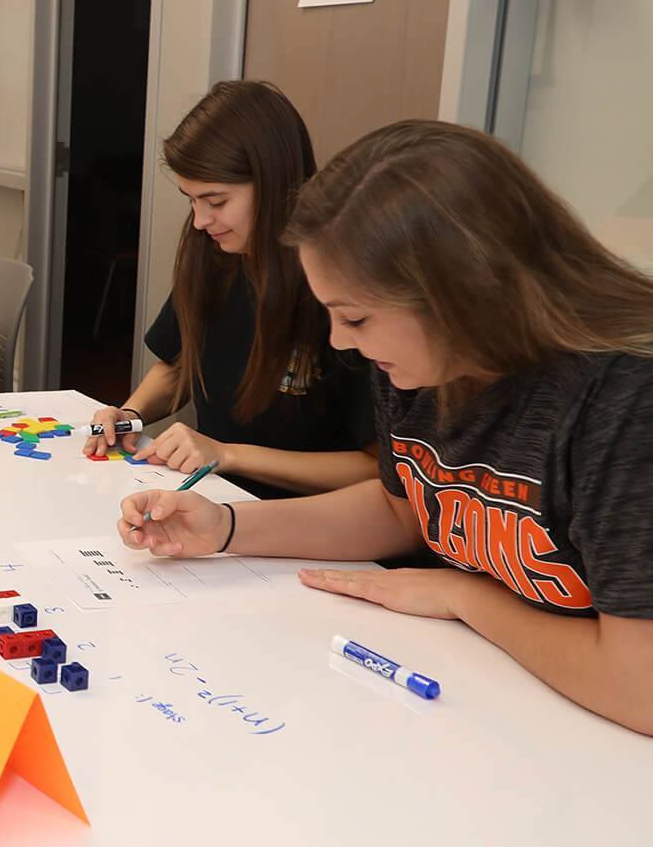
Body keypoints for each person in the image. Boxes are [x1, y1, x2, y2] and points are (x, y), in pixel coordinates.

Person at [117, 119, 653, 739]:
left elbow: (636, 687)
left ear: (460, 294)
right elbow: (405, 508)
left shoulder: (622, 404)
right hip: (497, 702)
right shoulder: (416, 365)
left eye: (356, 318)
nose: (341, 342)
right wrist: (228, 527)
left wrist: (464, 597)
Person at [86, 81, 374, 498]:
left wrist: (229, 454)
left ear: (274, 182)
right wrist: (130, 415)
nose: (201, 220)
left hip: (307, 521)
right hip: (214, 498)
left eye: (216, 201)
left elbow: (378, 469)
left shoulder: (339, 286)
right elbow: (181, 361)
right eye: (191, 200)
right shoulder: (214, 254)